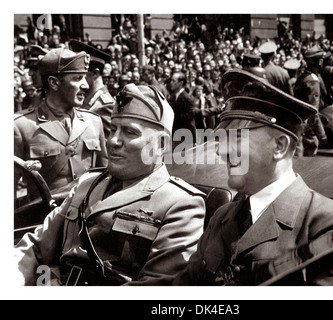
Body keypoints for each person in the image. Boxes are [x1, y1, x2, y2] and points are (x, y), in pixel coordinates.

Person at [173, 69, 333, 286]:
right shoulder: (222, 216)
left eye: (237, 138)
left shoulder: (328, 223)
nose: (222, 151)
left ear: (279, 146)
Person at [14, 84, 206, 286]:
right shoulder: (87, 184)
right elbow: (36, 246)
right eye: (113, 129)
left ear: (161, 144)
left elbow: (156, 288)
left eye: (130, 132)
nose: (113, 140)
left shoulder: (180, 204)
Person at [14, 48, 108, 198]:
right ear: (54, 83)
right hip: (43, 219)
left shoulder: (93, 122)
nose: (86, 85)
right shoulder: (21, 126)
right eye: (78, 78)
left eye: (84, 77)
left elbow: (105, 178)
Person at [69, 39, 117, 141]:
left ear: (95, 73)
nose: (77, 78)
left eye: (81, 74)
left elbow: (110, 148)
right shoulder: (85, 98)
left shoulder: (105, 105)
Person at [294, 45, 329, 156]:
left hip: (299, 127)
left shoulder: (303, 76)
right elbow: (313, 112)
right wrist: (322, 135)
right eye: (321, 60)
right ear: (317, 62)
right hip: (307, 132)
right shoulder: (312, 81)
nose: (322, 62)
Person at [167, 71, 198, 145]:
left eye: (173, 81)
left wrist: (172, 115)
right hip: (175, 136)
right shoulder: (172, 97)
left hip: (185, 138)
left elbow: (189, 116)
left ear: (181, 83)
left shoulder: (187, 98)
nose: (171, 83)